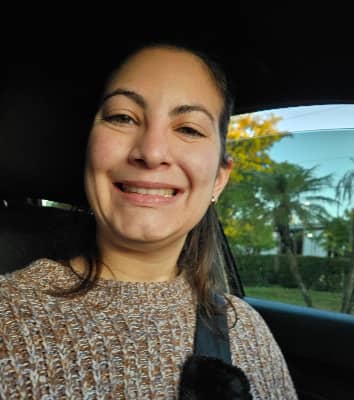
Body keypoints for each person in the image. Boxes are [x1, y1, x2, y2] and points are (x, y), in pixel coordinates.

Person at [0, 43, 298, 399]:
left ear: (219, 179)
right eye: (122, 117)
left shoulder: (246, 330)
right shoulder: (8, 314)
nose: (152, 152)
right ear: (89, 150)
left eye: (189, 129)